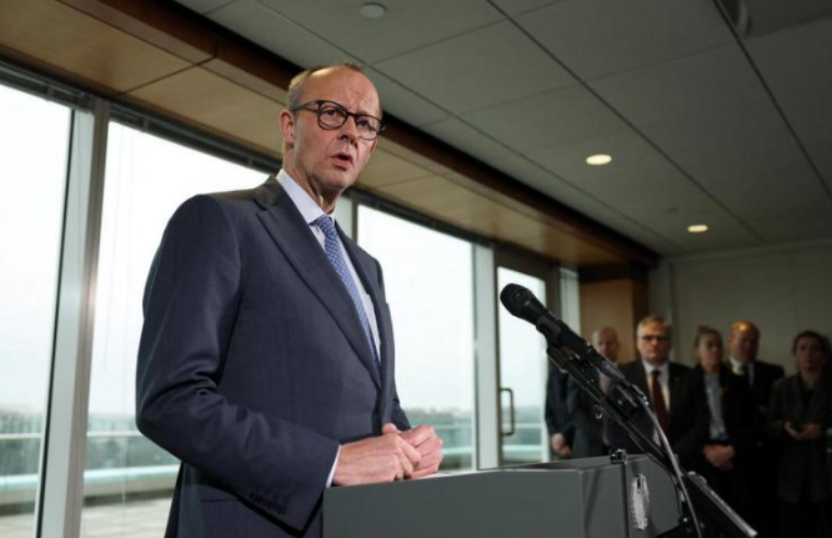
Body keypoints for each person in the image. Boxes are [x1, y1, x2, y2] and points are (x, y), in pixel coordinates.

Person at [135, 63, 443, 538]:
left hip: (356, 523)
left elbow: (377, 403)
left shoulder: (367, 268)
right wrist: (331, 462)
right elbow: (170, 400)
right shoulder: (219, 221)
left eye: (365, 123)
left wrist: (408, 444)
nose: (350, 132)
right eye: (331, 113)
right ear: (288, 126)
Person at [608, 316, 707, 468]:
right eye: (648, 338)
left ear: (670, 343)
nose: (654, 343)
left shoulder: (689, 376)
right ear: (638, 343)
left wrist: (674, 455)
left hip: (684, 462)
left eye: (661, 338)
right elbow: (613, 424)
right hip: (638, 463)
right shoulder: (622, 376)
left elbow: (701, 422)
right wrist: (644, 457)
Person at [685, 326, 761, 526]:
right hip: (701, 458)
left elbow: (754, 424)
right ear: (697, 350)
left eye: (719, 345)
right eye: (709, 345)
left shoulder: (737, 382)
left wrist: (730, 450)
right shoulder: (685, 383)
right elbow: (679, 427)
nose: (716, 349)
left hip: (736, 457)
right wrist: (707, 450)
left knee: (740, 519)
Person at [767, 331, 831, 538]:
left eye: (814, 349)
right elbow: (769, 425)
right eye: (802, 348)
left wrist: (823, 430)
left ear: (824, 354)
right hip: (792, 476)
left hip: (826, 472)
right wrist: (784, 427)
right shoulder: (781, 386)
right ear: (795, 353)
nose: (808, 354)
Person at [728, 320, 785, 537]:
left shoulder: (773, 372)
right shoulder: (717, 371)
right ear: (730, 341)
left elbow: (777, 413)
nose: (748, 346)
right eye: (743, 340)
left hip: (765, 460)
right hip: (732, 461)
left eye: (754, 342)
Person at [563, 327, 621, 458]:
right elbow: (574, 410)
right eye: (600, 343)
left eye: (609, 343)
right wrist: (601, 435)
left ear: (618, 345)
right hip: (588, 448)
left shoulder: (629, 373)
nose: (605, 347)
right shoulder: (580, 373)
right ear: (593, 347)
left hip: (621, 447)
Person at [545, 366, 572, 459]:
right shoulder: (553, 375)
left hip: (577, 441)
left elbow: (578, 412)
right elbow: (548, 412)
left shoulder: (581, 374)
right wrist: (554, 436)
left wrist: (564, 435)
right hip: (557, 444)